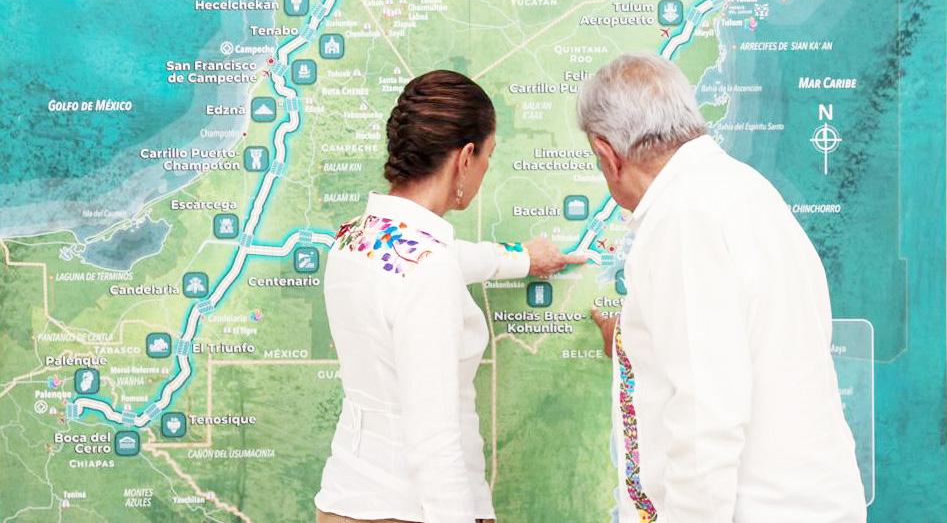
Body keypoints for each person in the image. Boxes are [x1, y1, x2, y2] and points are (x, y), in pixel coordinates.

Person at [578, 54, 866, 522]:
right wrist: (638, 339)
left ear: (607, 154)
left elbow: (705, 418)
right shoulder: (743, 190)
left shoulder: (683, 220)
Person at [315, 69, 585, 523]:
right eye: (488, 157)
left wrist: (522, 259)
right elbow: (434, 442)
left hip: (345, 500)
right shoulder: (429, 270)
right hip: (410, 512)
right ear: (465, 157)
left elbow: (439, 256)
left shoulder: (355, 238)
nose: (485, 170)